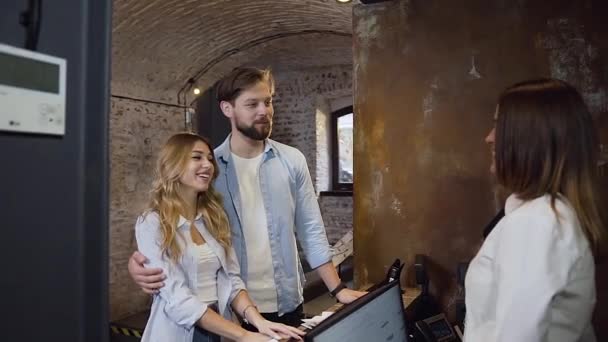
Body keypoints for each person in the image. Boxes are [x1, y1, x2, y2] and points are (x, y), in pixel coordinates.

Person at [129, 67, 365, 329]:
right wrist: (140, 261)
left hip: (287, 301)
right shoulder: (208, 170)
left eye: (268, 102)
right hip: (232, 308)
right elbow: (177, 225)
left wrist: (338, 290)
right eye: (252, 104)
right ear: (227, 109)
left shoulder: (292, 160)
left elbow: (311, 230)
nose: (264, 111)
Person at [464, 79, 605, 342]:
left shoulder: (537, 223)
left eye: (498, 126)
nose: (489, 137)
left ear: (530, 139)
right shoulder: (549, 215)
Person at [134, 133, 304, 342]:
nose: (207, 164)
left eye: (209, 158)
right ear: (173, 165)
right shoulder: (151, 223)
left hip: (218, 331)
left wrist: (259, 322)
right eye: (197, 158)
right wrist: (243, 335)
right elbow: (178, 299)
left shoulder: (213, 218)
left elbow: (231, 279)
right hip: (176, 334)